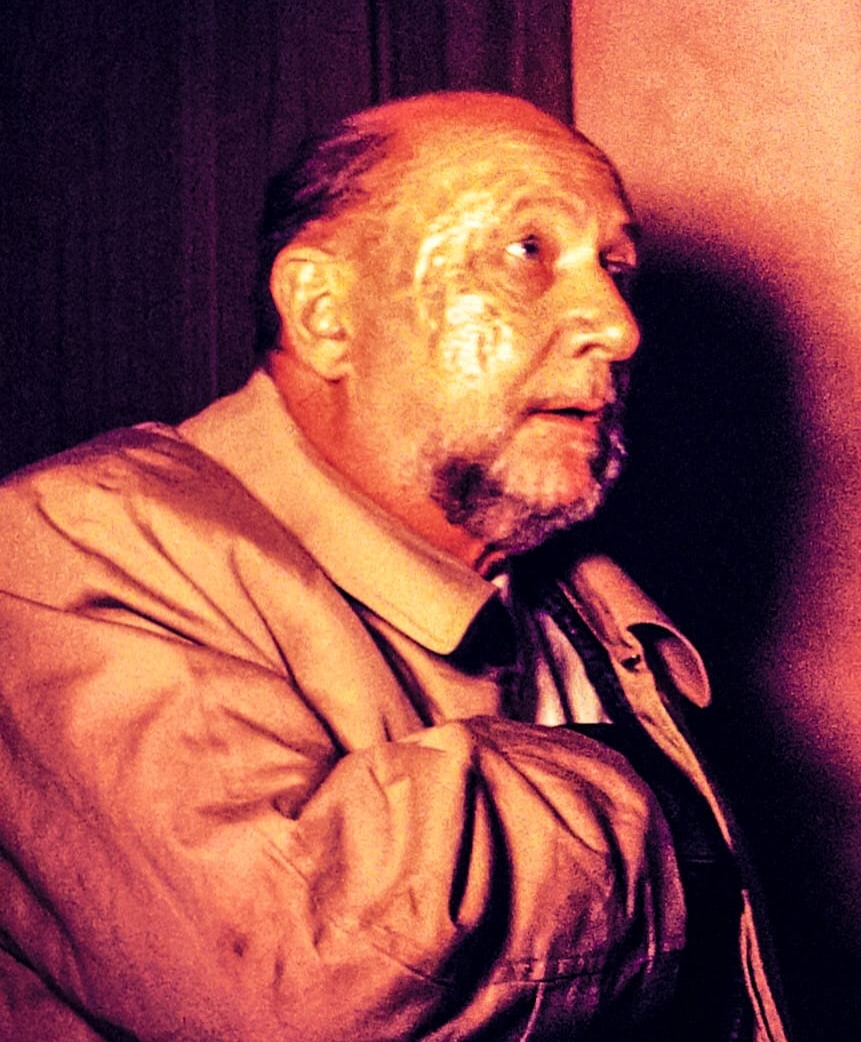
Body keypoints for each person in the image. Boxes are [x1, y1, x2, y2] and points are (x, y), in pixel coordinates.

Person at [0, 92, 787, 1041]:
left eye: (615, 269)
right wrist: (655, 804)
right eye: (526, 252)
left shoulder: (591, 609)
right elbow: (302, 980)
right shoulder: (68, 544)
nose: (618, 328)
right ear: (325, 314)